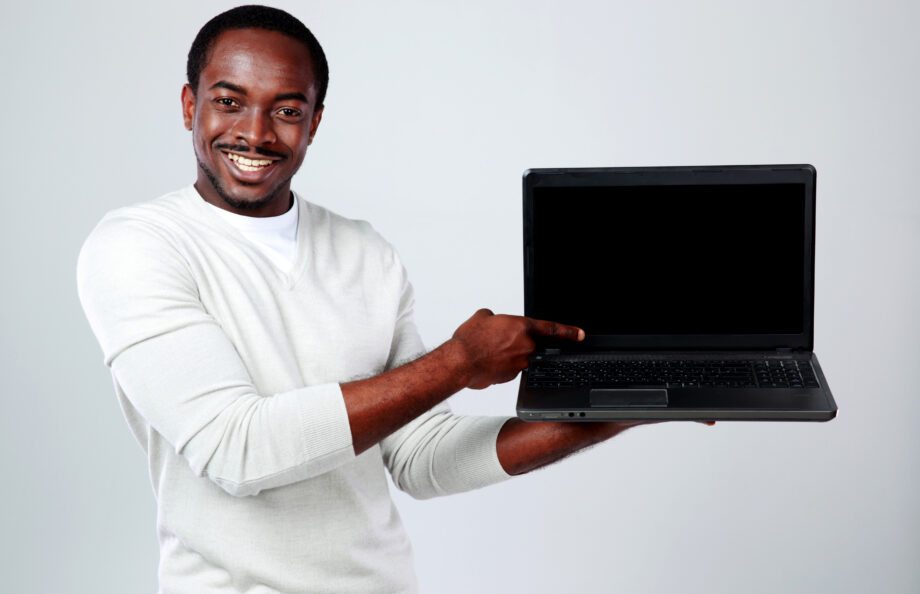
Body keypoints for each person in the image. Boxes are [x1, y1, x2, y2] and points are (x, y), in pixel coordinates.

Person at [77, 5, 645, 593]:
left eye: (287, 111)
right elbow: (236, 451)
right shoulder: (135, 247)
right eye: (228, 102)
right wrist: (459, 363)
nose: (255, 133)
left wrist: (638, 405)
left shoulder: (364, 252)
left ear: (315, 122)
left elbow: (424, 459)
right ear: (190, 105)